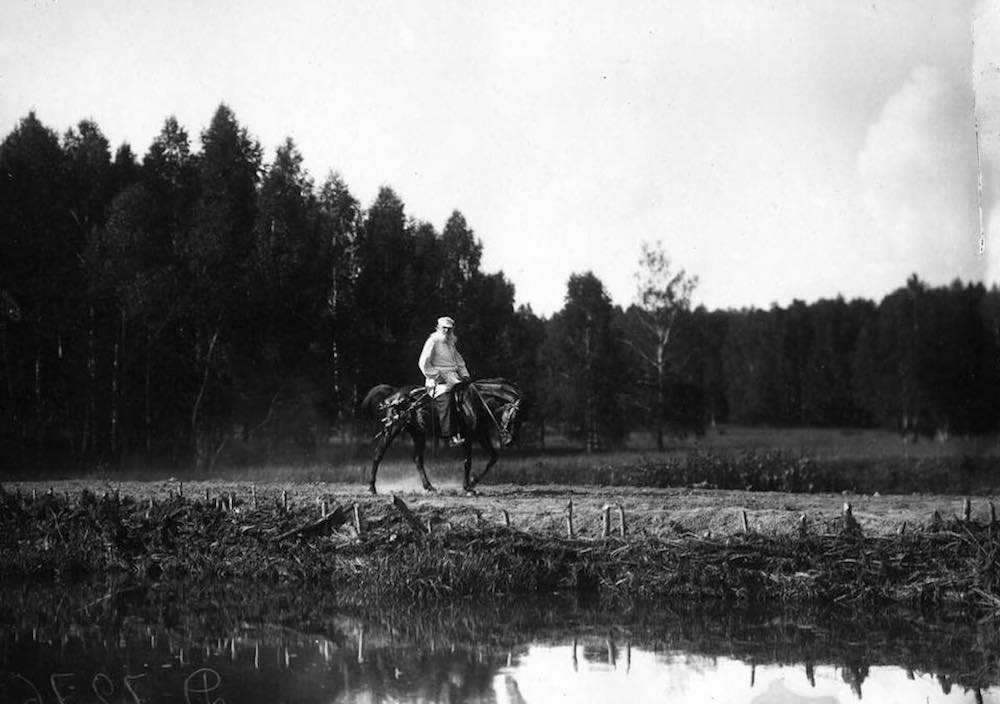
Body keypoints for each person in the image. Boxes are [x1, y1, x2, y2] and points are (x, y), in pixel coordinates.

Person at [418, 316, 471, 446]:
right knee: (447, 399)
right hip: (438, 380)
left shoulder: (451, 343)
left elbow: (459, 362)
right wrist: (436, 376)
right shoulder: (433, 341)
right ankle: (451, 435)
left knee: (470, 395)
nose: (446, 331)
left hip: (454, 378)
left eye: (449, 329)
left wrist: (465, 375)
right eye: (444, 328)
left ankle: (469, 430)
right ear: (438, 328)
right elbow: (423, 362)